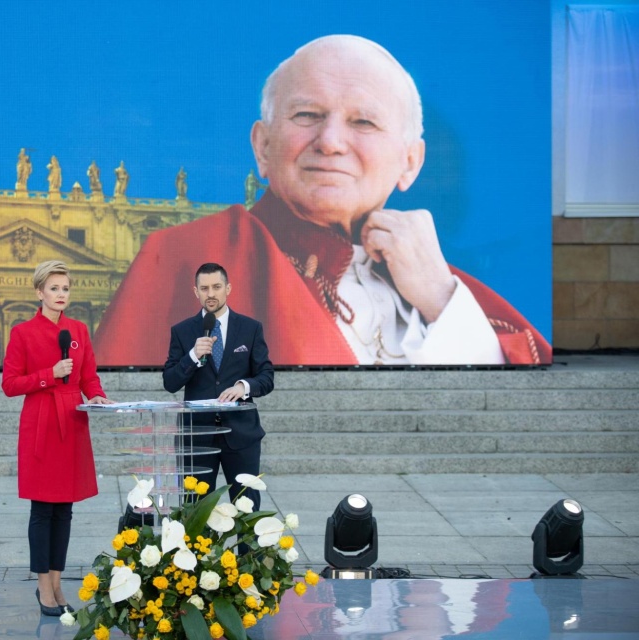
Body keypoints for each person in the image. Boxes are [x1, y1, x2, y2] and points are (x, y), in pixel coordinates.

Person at [94, 35, 551, 366]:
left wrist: (440, 298)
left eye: (364, 122)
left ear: (410, 162)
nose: (330, 142)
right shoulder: (180, 258)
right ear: (262, 146)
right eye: (307, 115)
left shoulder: (448, 291)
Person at [1, 260, 113, 616]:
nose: (61, 294)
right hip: (41, 422)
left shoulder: (79, 329)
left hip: (73, 421)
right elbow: (10, 384)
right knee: (42, 509)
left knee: (65, 509)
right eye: (54, 288)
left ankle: (57, 582)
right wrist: (48, 375)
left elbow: (89, 377)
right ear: (39, 292)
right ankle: (42, 586)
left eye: (65, 288)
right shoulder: (23, 333)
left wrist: (95, 395)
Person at [163, 263, 274, 516]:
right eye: (204, 288)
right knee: (196, 512)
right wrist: (192, 355)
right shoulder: (182, 331)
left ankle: (247, 558)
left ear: (228, 289)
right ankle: (200, 557)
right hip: (197, 437)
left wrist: (243, 386)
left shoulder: (250, 328)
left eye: (216, 287)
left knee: (247, 511)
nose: (210, 294)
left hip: (241, 435)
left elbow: (266, 376)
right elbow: (170, 382)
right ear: (196, 292)